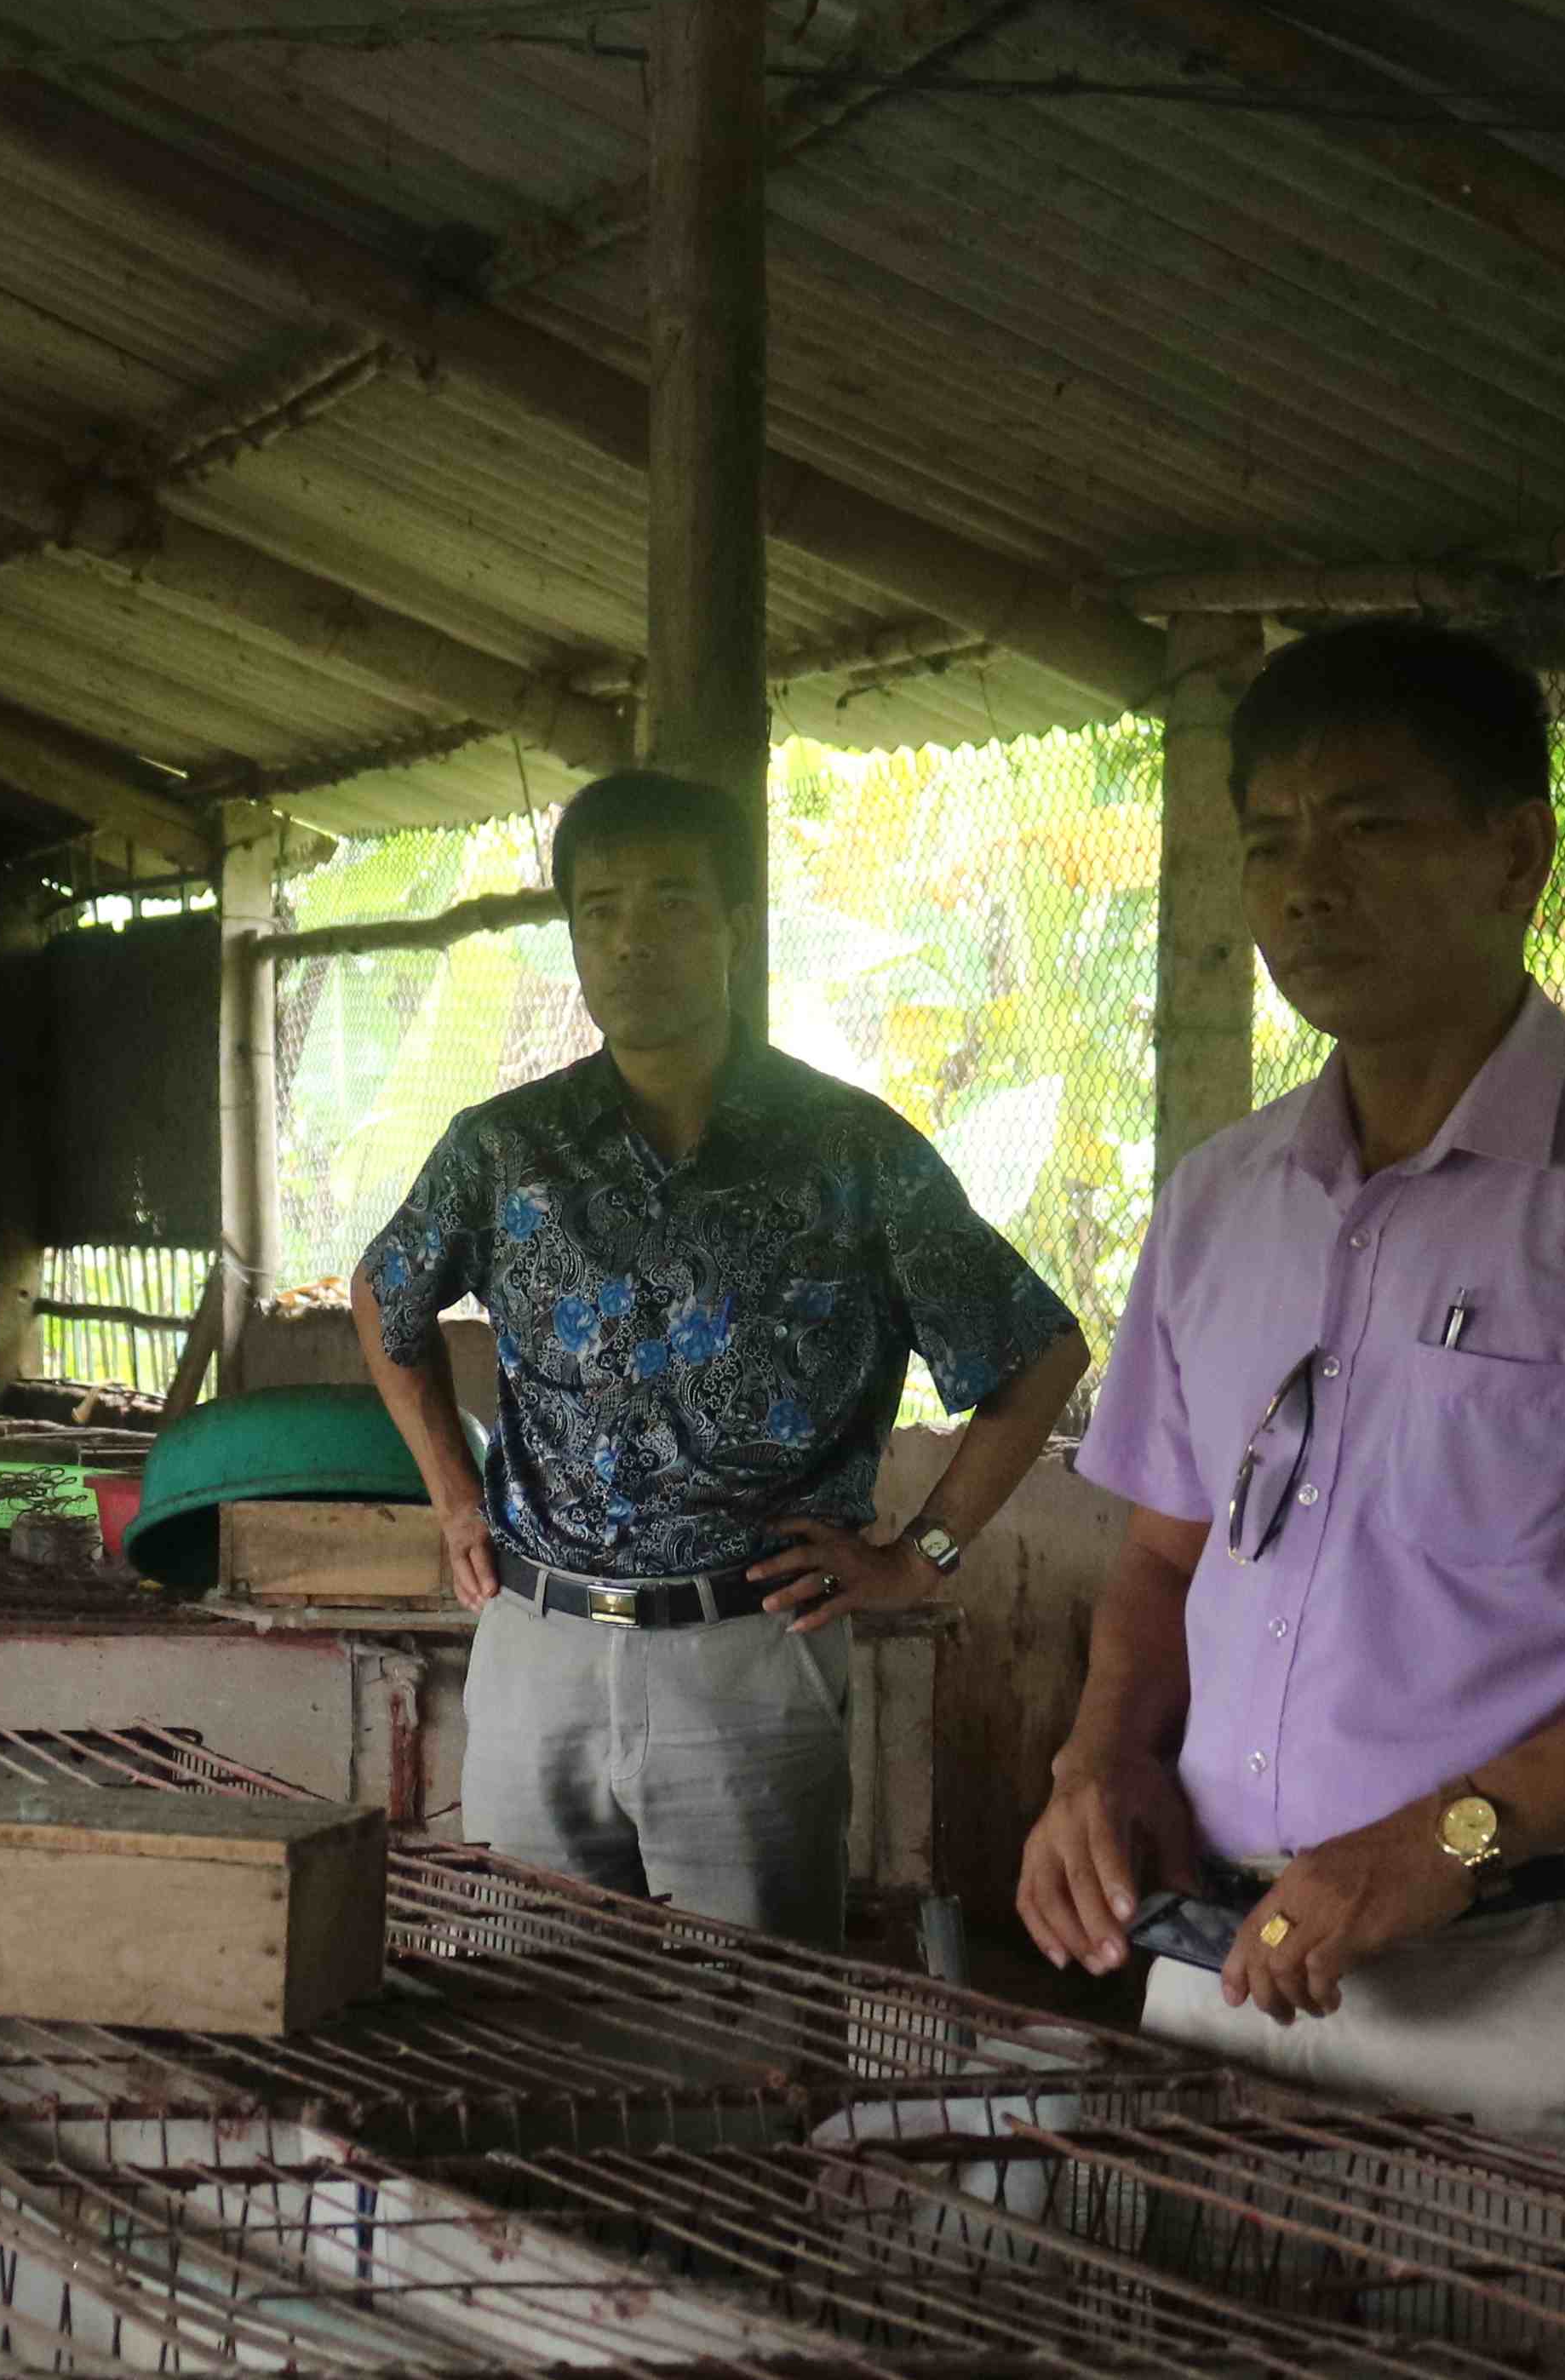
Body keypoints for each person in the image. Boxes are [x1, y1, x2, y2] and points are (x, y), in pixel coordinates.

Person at [1017, 622, 1565, 2137]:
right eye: (1268, 843)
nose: (1305, 887)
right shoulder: (1219, 1200)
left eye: (1369, 829)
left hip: (1532, 1987)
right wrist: (1100, 1756)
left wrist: (1456, 1835)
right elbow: (1164, 1558)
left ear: (1516, 854)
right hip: (1222, 1966)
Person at [353, 767, 1089, 1942]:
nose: (632, 941)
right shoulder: (504, 1150)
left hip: (749, 1654)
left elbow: (1038, 1353)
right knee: (525, 1993)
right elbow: (385, 1300)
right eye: (600, 912)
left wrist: (923, 1556)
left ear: (739, 926)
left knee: (753, 2015)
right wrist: (453, 1500)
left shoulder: (850, 1151)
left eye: (672, 903)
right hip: (539, 1645)